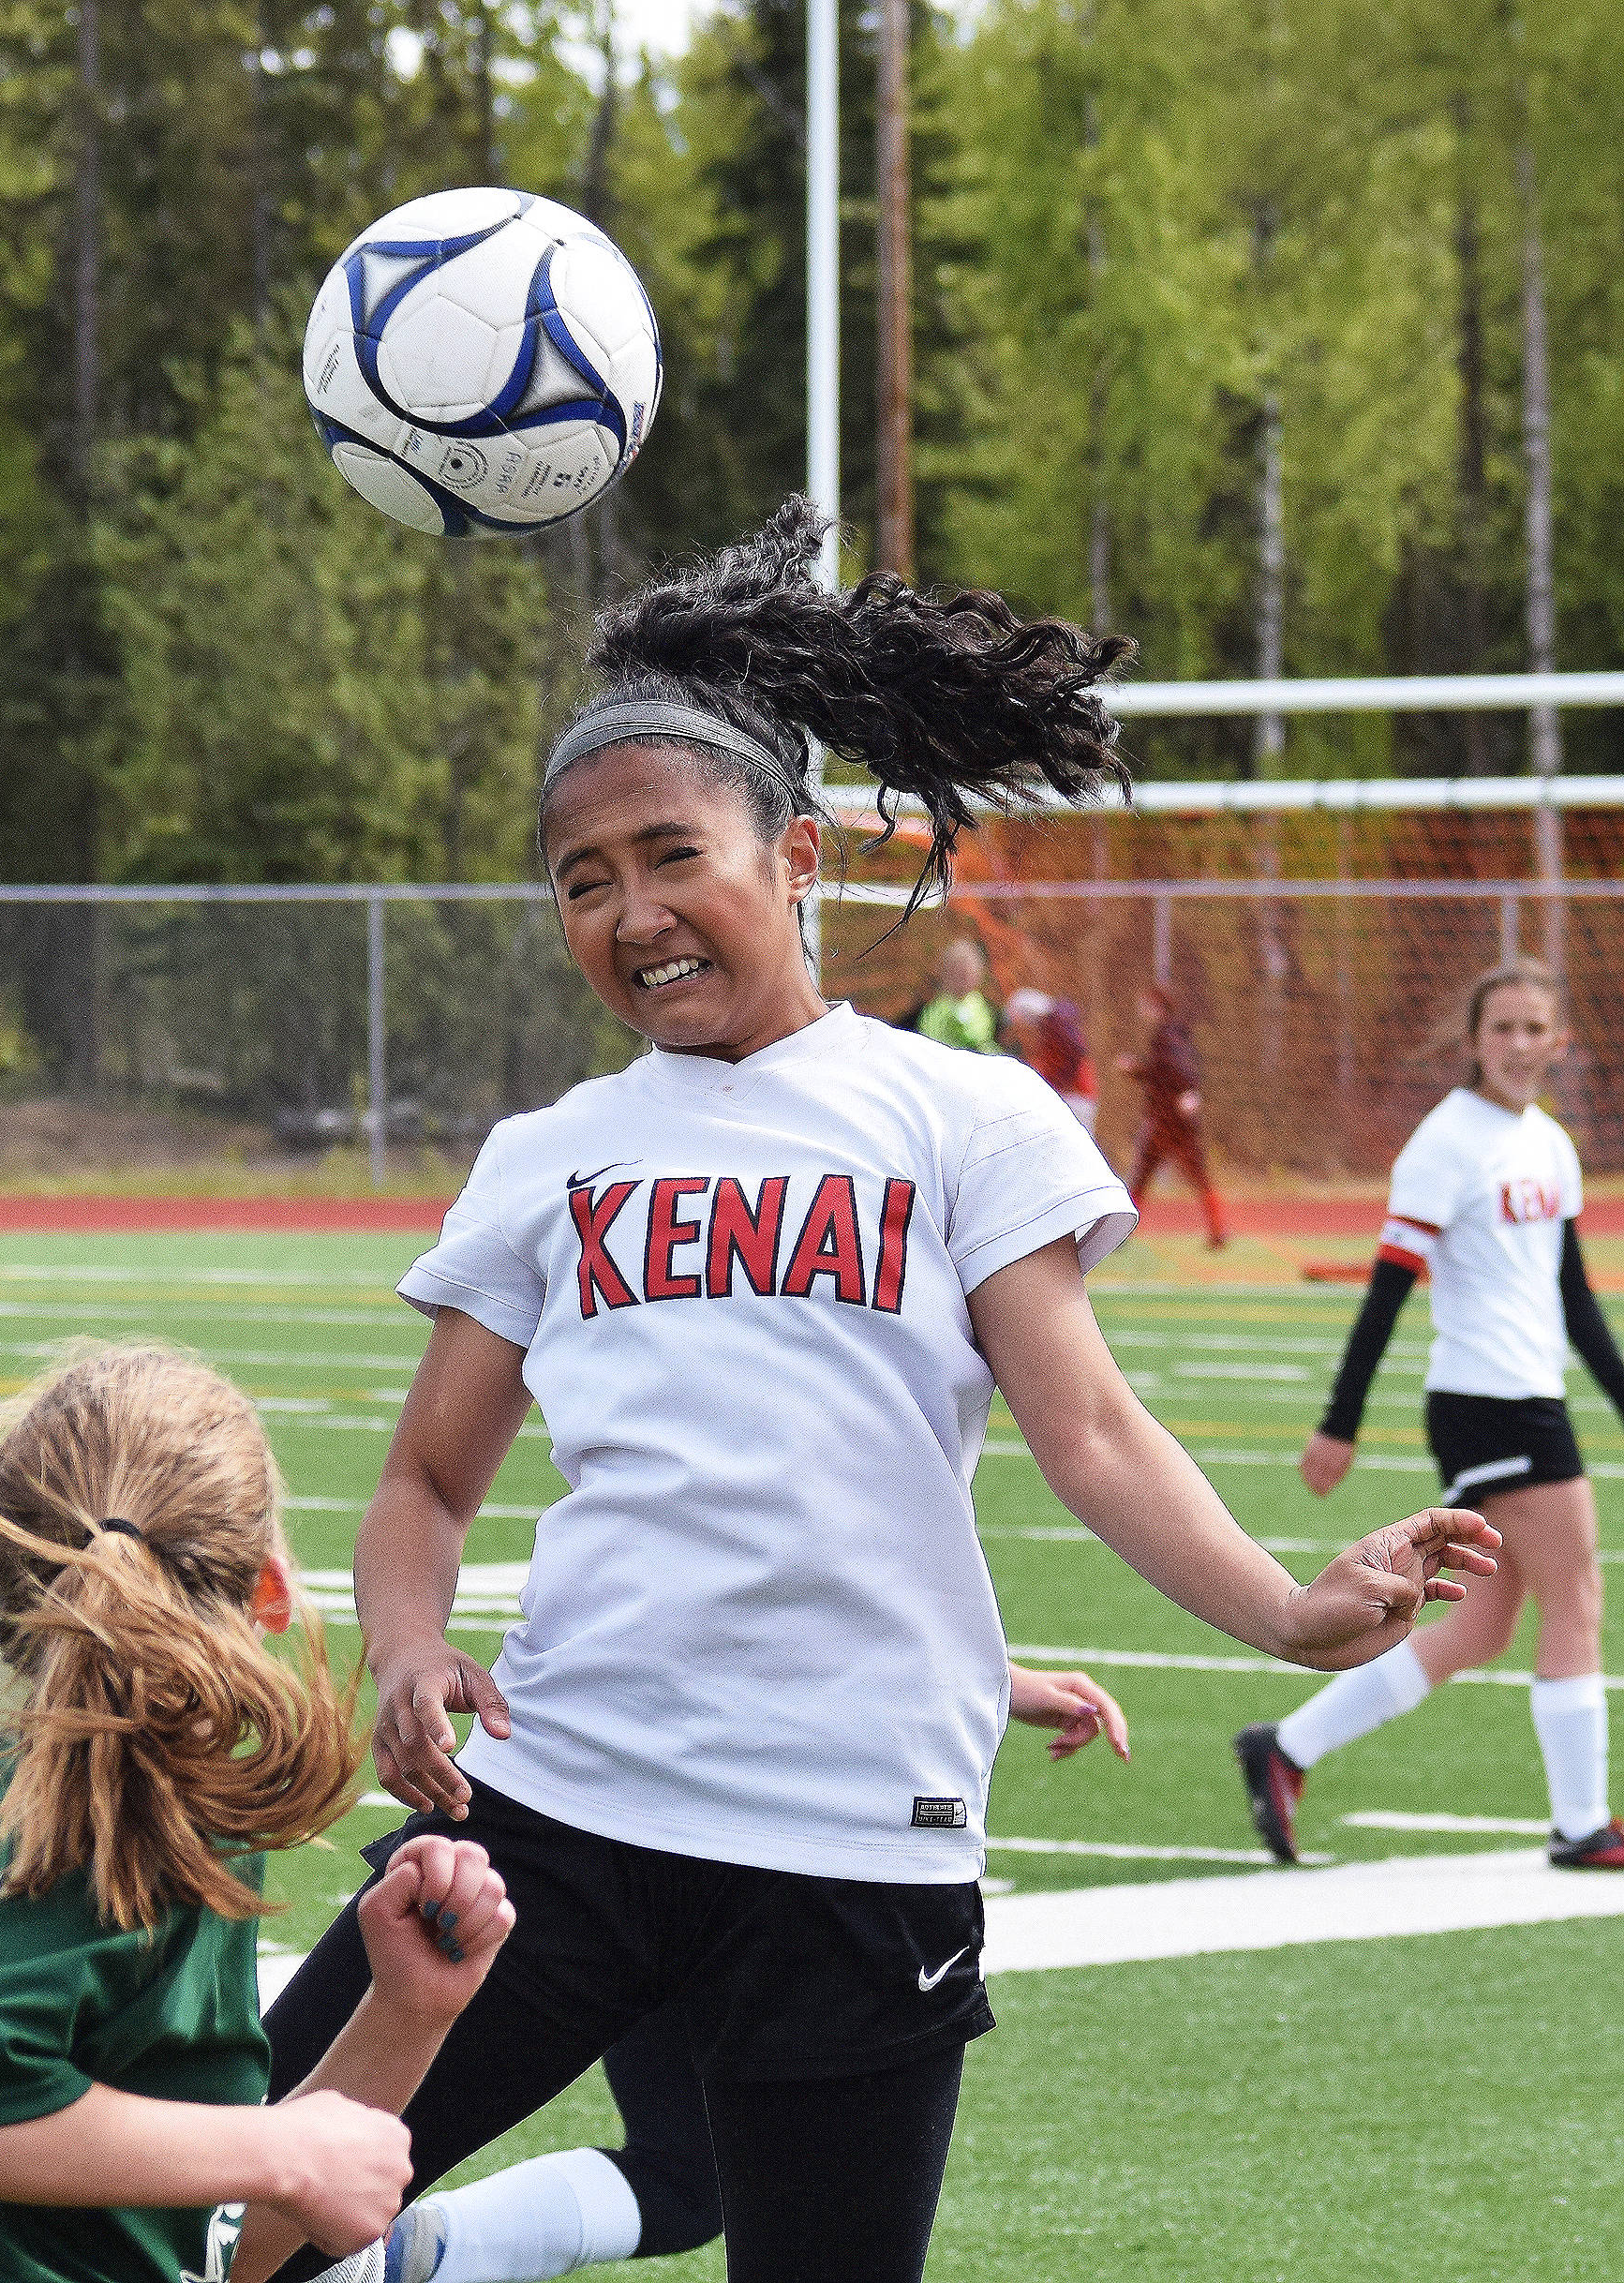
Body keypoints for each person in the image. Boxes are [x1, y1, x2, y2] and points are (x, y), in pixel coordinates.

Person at [261, 500, 1497, 2283]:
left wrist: (1290, 1612)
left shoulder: (960, 1116)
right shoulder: (552, 1154)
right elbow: (425, 1490)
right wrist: (403, 1648)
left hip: (855, 1851)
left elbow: (1089, 1430)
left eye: (672, 854)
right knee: (224, 2220)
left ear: (806, 854)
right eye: (581, 878)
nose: (632, 912)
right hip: (558, 1819)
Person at [0, 1343, 515, 2283]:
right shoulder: (141, 1824)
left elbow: (218, 2252)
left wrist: (406, 2011)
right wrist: (282, 2151)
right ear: (269, 1590)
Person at [375, 1663, 1129, 2283]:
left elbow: (790, 1548)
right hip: (663, 1817)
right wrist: (407, 1637)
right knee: (282, 2187)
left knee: (686, 2177)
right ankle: (362, 2250)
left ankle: (406, 2253)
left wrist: (987, 1671)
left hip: (665, 1803)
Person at [1237, 958, 1624, 1871]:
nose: (1519, 1046)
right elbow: (1384, 1291)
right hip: (1489, 1405)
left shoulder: (1548, 1147)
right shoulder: (1444, 1144)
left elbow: (1572, 1300)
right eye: (1502, 1029)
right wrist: (1340, 1419)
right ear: (1471, 1041)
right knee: (1576, 1597)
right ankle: (1581, 1826)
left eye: (1536, 1029)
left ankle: (1284, 1748)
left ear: (1557, 1041)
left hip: (1527, 1396)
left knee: (1484, 1626)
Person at [1117, 982, 1227, 1247]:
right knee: (1187, 1174)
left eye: (1146, 1003)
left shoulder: (1167, 1036)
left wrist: (1136, 1070)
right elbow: (1168, 1070)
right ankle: (1217, 1231)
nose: (1142, 1009)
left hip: (1168, 1119)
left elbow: (1175, 1069)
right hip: (1170, 1118)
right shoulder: (1174, 1034)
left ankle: (1121, 1234)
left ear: (1157, 1006)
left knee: (1146, 1174)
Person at [1006, 987, 1100, 1133]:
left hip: (1075, 1096)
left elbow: (1062, 1066)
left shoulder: (1057, 1028)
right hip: (1077, 1093)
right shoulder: (1056, 1025)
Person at [901, 935, 1002, 1053]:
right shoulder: (935, 1010)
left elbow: (986, 1038)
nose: (965, 980)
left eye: (970, 973)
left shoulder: (981, 1004)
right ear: (946, 972)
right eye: (960, 973)